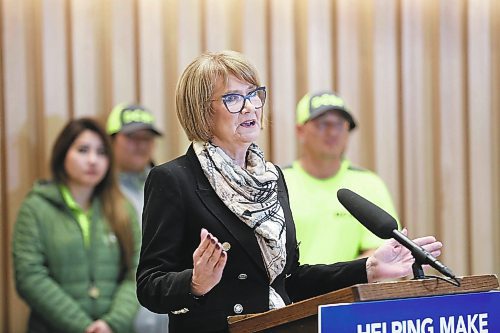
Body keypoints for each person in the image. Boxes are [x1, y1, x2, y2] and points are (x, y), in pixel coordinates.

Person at [136, 50, 442, 333]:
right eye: (232, 98)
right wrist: (194, 283)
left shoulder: (271, 179)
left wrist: (368, 268)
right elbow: (150, 285)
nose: (249, 106)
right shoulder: (173, 179)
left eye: (254, 95)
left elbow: (291, 279)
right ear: (202, 112)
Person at [12, 118, 141, 333]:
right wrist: (84, 327)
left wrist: (112, 323)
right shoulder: (36, 207)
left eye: (101, 152)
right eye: (83, 150)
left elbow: (137, 272)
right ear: (63, 155)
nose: (93, 160)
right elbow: (29, 276)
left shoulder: (122, 208)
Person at [283, 91, 399, 264]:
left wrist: (338, 282)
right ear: (300, 131)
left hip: (350, 289)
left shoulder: (369, 184)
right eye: (323, 124)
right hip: (289, 290)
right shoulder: (278, 183)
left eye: (340, 125)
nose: (333, 132)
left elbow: (383, 250)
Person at [106, 104, 169, 333]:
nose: (141, 145)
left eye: (147, 138)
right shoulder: (98, 193)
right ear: (112, 141)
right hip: (119, 319)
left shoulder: (166, 186)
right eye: (132, 137)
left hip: (165, 318)